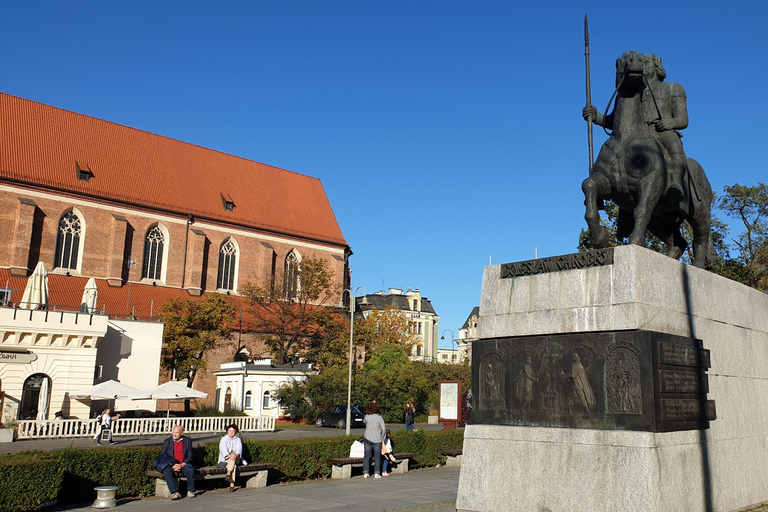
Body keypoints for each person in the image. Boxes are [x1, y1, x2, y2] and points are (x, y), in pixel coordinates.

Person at [160, 425, 196, 499]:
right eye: (173, 432)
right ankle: (175, 492)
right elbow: (163, 456)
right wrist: (172, 465)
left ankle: (190, 491)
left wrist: (182, 465)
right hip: (171, 464)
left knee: (190, 469)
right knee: (166, 472)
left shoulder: (187, 441)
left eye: (176, 433)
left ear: (182, 433)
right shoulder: (167, 441)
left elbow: (190, 456)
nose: (174, 434)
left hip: (184, 463)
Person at [218, 423, 247, 492]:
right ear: (227, 431)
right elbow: (222, 449)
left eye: (233, 431)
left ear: (235, 431)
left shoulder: (237, 439)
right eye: (229, 430)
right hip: (226, 459)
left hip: (236, 458)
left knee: (233, 460)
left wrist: (236, 455)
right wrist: (229, 455)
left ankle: (228, 474)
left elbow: (239, 449)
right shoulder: (223, 439)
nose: (231, 432)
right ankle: (232, 485)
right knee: (233, 465)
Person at [362, 401, 386, 479]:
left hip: (368, 438)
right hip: (377, 439)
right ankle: (377, 473)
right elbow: (384, 429)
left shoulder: (367, 417)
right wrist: (382, 437)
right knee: (377, 456)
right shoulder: (380, 418)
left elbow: (364, 422)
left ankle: (366, 472)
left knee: (367, 456)